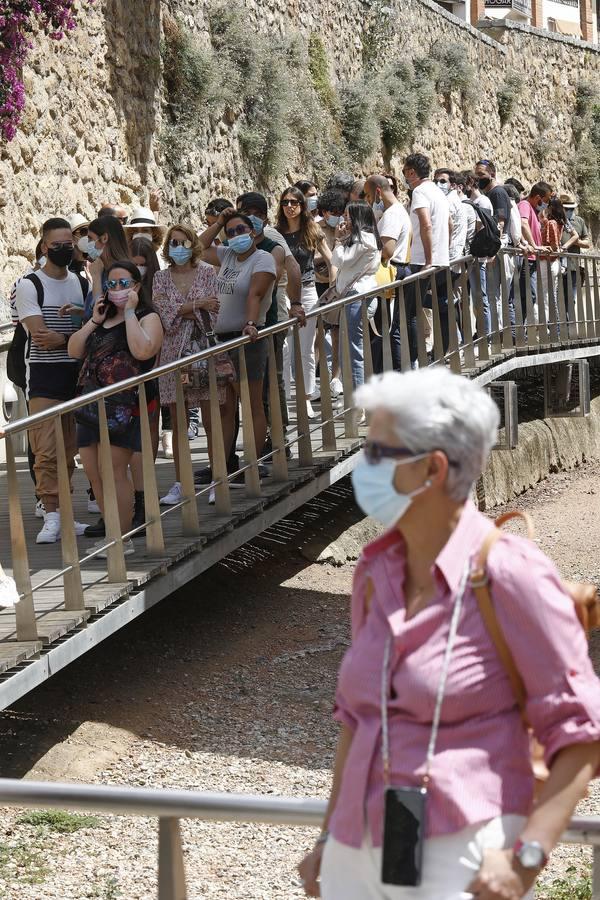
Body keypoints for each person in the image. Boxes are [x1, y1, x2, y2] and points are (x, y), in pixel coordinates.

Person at [298, 366, 600, 900]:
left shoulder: (509, 572)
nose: (359, 468)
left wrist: (526, 858)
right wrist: (329, 835)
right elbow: (357, 720)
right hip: (357, 851)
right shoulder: (374, 573)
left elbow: (582, 732)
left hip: (460, 853)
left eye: (376, 453)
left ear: (432, 469)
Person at [68, 261, 163, 557]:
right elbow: (73, 350)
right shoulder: (102, 316)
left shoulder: (148, 316)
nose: (118, 289)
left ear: (136, 285)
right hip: (90, 405)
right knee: (94, 472)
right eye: (112, 284)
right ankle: (111, 533)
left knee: (114, 470)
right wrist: (93, 321)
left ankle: (122, 539)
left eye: (124, 283)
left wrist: (131, 312)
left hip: (124, 406)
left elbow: (142, 351)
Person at [14, 218, 89, 543]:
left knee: (69, 448)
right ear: (45, 246)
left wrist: (66, 337)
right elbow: (39, 334)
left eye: (68, 244)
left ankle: (65, 514)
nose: (63, 249)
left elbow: (91, 328)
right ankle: (51, 513)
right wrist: (72, 336)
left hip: (75, 375)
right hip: (43, 375)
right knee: (45, 449)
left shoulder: (82, 282)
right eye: (56, 245)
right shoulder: (30, 284)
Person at [152, 225, 233, 507]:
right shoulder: (160, 278)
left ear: (193, 244)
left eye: (183, 242)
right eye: (173, 242)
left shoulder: (208, 272)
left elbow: (215, 307)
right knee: (178, 420)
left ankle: (216, 479)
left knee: (211, 418)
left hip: (203, 351)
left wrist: (186, 307)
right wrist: (196, 304)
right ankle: (180, 482)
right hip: (173, 354)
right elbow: (163, 311)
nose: (178, 247)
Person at [199, 209, 276, 473]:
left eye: (240, 230)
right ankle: (224, 468)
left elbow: (255, 293)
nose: (236, 235)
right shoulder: (227, 255)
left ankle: (253, 464)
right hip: (221, 341)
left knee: (250, 401)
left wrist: (251, 324)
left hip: (246, 340)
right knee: (225, 407)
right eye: (230, 232)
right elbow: (197, 248)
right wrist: (219, 221)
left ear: (253, 231)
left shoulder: (262, 259)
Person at [276, 186, 332, 414]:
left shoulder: (312, 230)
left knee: (306, 346)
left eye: (294, 202)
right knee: (285, 346)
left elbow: (330, 259)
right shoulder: (275, 233)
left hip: (308, 291)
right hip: (282, 292)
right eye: (285, 203)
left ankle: (305, 396)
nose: (290, 207)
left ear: (302, 206)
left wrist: (332, 288)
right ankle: (287, 396)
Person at [129, 237, 163, 530]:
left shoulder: (156, 290)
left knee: (149, 429)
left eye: (143, 265)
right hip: (124, 376)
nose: (139, 270)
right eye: (134, 264)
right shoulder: (118, 293)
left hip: (151, 369)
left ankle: (145, 492)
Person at [402, 153, 450, 362]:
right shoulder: (439, 192)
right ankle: (442, 355)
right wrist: (442, 252)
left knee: (411, 312)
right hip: (442, 260)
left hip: (422, 261)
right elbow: (449, 224)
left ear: (412, 172)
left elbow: (425, 224)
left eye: (404, 172)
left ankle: (414, 360)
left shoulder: (420, 192)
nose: (404, 176)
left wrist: (429, 259)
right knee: (442, 308)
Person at [329, 201, 381, 389]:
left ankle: (359, 400)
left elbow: (340, 260)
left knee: (353, 350)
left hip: (356, 298)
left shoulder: (364, 239)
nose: (344, 220)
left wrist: (337, 241)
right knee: (351, 348)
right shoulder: (364, 238)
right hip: (356, 297)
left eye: (348, 216)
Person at [364, 174, 411, 372]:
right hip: (396, 270)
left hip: (390, 271)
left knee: (384, 330)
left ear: (377, 192)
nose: (367, 200)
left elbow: (387, 250)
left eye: (367, 195)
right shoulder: (397, 211)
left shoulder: (391, 215)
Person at [316, 189, 348, 398]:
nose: (335, 215)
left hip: (338, 285)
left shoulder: (347, 229)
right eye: (331, 211)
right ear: (324, 212)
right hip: (319, 284)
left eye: (339, 211)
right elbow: (316, 257)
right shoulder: (316, 229)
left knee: (336, 333)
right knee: (318, 334)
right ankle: (320, 378)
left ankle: (336, 377)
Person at [518, 182, 553, 322]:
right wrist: (534, 246)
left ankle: (521, 331)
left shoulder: (533, 209)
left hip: (532, 258)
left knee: (530, 295)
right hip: (527, 257)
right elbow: (523, 223)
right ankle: (518, 332)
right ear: (538, 197)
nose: (547, 203)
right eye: (546, 200)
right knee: (527, 295)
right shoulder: (525, 205)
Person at [539, 197, 566, 326]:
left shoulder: (551, 223)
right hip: (554, 262)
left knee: (544, 294)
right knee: (551, 295)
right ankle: (554, 325)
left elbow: (554, 245)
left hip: (547, 261)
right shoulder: (559, 222)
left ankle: (547, 325)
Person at [560, 192, 591, 302]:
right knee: (557, 299)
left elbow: (587, 243)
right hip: (557, 265)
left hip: (573, 266)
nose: (570, 211)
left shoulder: (579, 221)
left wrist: (574, 241)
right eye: (567, 209)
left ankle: (570, 320)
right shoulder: (555, 220)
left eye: (571, 209)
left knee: (571, 299)